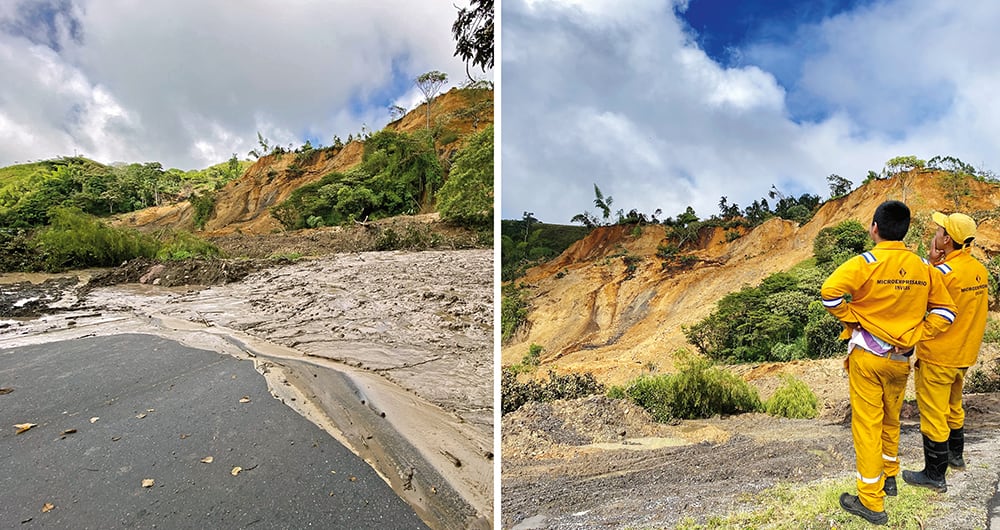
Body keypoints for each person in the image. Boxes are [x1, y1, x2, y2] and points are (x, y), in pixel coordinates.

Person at [821, 200, 957, 525]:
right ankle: (890, 476)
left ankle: (871, 501)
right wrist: (917, 333)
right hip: (900, 360)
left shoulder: (865, 262)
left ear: (875, 228)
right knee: (891, 419)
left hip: (867, 358)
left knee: (868, 426)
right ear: (904, 231)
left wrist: (854, 318)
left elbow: (829, 294)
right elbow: (946, 311)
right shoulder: (923, 266)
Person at [902, 212, 989, 493]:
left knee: (933, 414)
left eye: (940, 230)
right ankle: (956, 456)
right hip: (964, 354)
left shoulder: (942, 273)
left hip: (938, 356)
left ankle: (934, 475)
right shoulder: (979, 270)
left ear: (947, 239)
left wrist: (930, 262)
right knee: (954, 406)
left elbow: (918, 300)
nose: (936, 233)